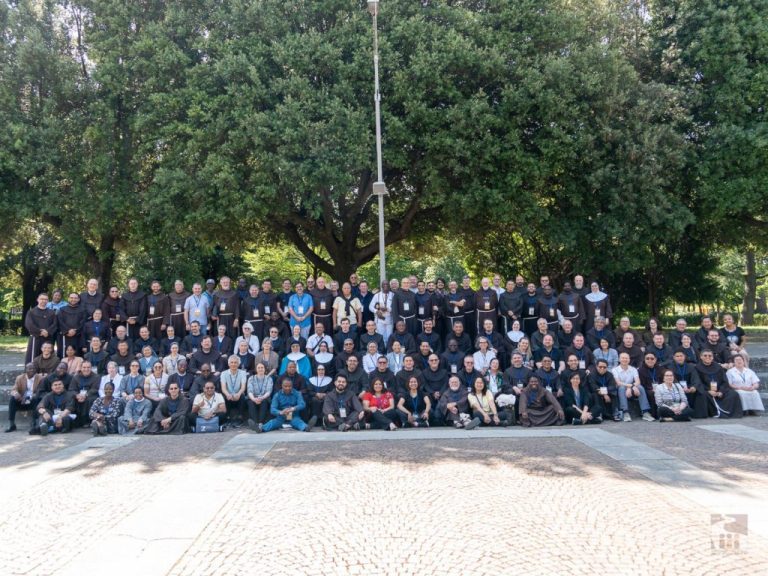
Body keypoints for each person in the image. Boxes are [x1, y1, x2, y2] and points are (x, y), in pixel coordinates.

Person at [612, 352, 655, 422]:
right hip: (620, 389)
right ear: (619, 359)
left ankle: (645, 412)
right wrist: (630, 386)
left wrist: (633, 386)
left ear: (629, 360)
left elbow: (638, 381)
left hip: (631, 388)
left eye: (626, 358)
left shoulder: (633, 369)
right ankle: (625, 412)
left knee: (640, 387)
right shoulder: (615, 370)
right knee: (622, 388)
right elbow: (618, 383)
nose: (624, 360)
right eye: (623, 358)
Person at [668, 349, 707, 419]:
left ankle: (698, 414)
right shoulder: (670, 367)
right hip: (676, 388)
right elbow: (672, 380)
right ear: (674, 357)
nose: (679, 358)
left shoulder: (691, 367)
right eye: (677, 356)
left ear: (684, 357)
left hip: (689, 387)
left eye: (681, 356)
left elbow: (695, 378)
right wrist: (681, 388)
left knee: (700, 390)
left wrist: (693, 387)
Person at [5, 363, 43, 433]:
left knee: (36, 399)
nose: (32, 370)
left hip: (33, 401)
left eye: (34, 368)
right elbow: (14, 389)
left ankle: (35, 423)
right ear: (26, 370)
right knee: (12, 399)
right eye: (30, 369)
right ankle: (12, 424)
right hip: (22, 400)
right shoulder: (20, 378)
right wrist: (16, 394)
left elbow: (40, 391)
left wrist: (31, 396)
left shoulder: (40, 378)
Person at [24, 293, 57, 364]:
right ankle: (32, 370)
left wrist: (48, 332)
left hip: (48, 338)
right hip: (36, 338)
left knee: (48, 357)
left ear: (48, 301)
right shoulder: (31, 312)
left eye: (46, 299)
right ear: (37, 300)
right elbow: (29, 324)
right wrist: (40, 332)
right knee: (33, 357)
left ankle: (48, 370)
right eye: (42, 299)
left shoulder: (52, 313)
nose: (43, 301)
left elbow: (55, 324)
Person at [220, 355, 248, 427]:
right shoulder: (224, 373)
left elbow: (243, 387)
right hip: (228, 395)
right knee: (224, 396)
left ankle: (239, 418)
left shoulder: (243, 373)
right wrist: (228, 394)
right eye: (231, 362)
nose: (233, 364)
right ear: (229, 364)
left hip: (238, 395)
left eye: (235, 362)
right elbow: (223, 388)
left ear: (238, 364)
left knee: (242, 396)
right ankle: (227, 418)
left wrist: (238, 394)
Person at [246, 362, 274, 426]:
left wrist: (262, 398)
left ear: (265, 369)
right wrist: (254, 399)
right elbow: (250, 391)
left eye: (262, 367)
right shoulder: (251, 378)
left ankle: (261, 423)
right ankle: (255, 423)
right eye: (258, 368)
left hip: (264, 398)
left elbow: (268, 391)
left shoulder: (269, 379)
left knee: (264, 402)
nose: (260, 369)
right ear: (256, 369)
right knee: (250, 402)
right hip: (253, 397)